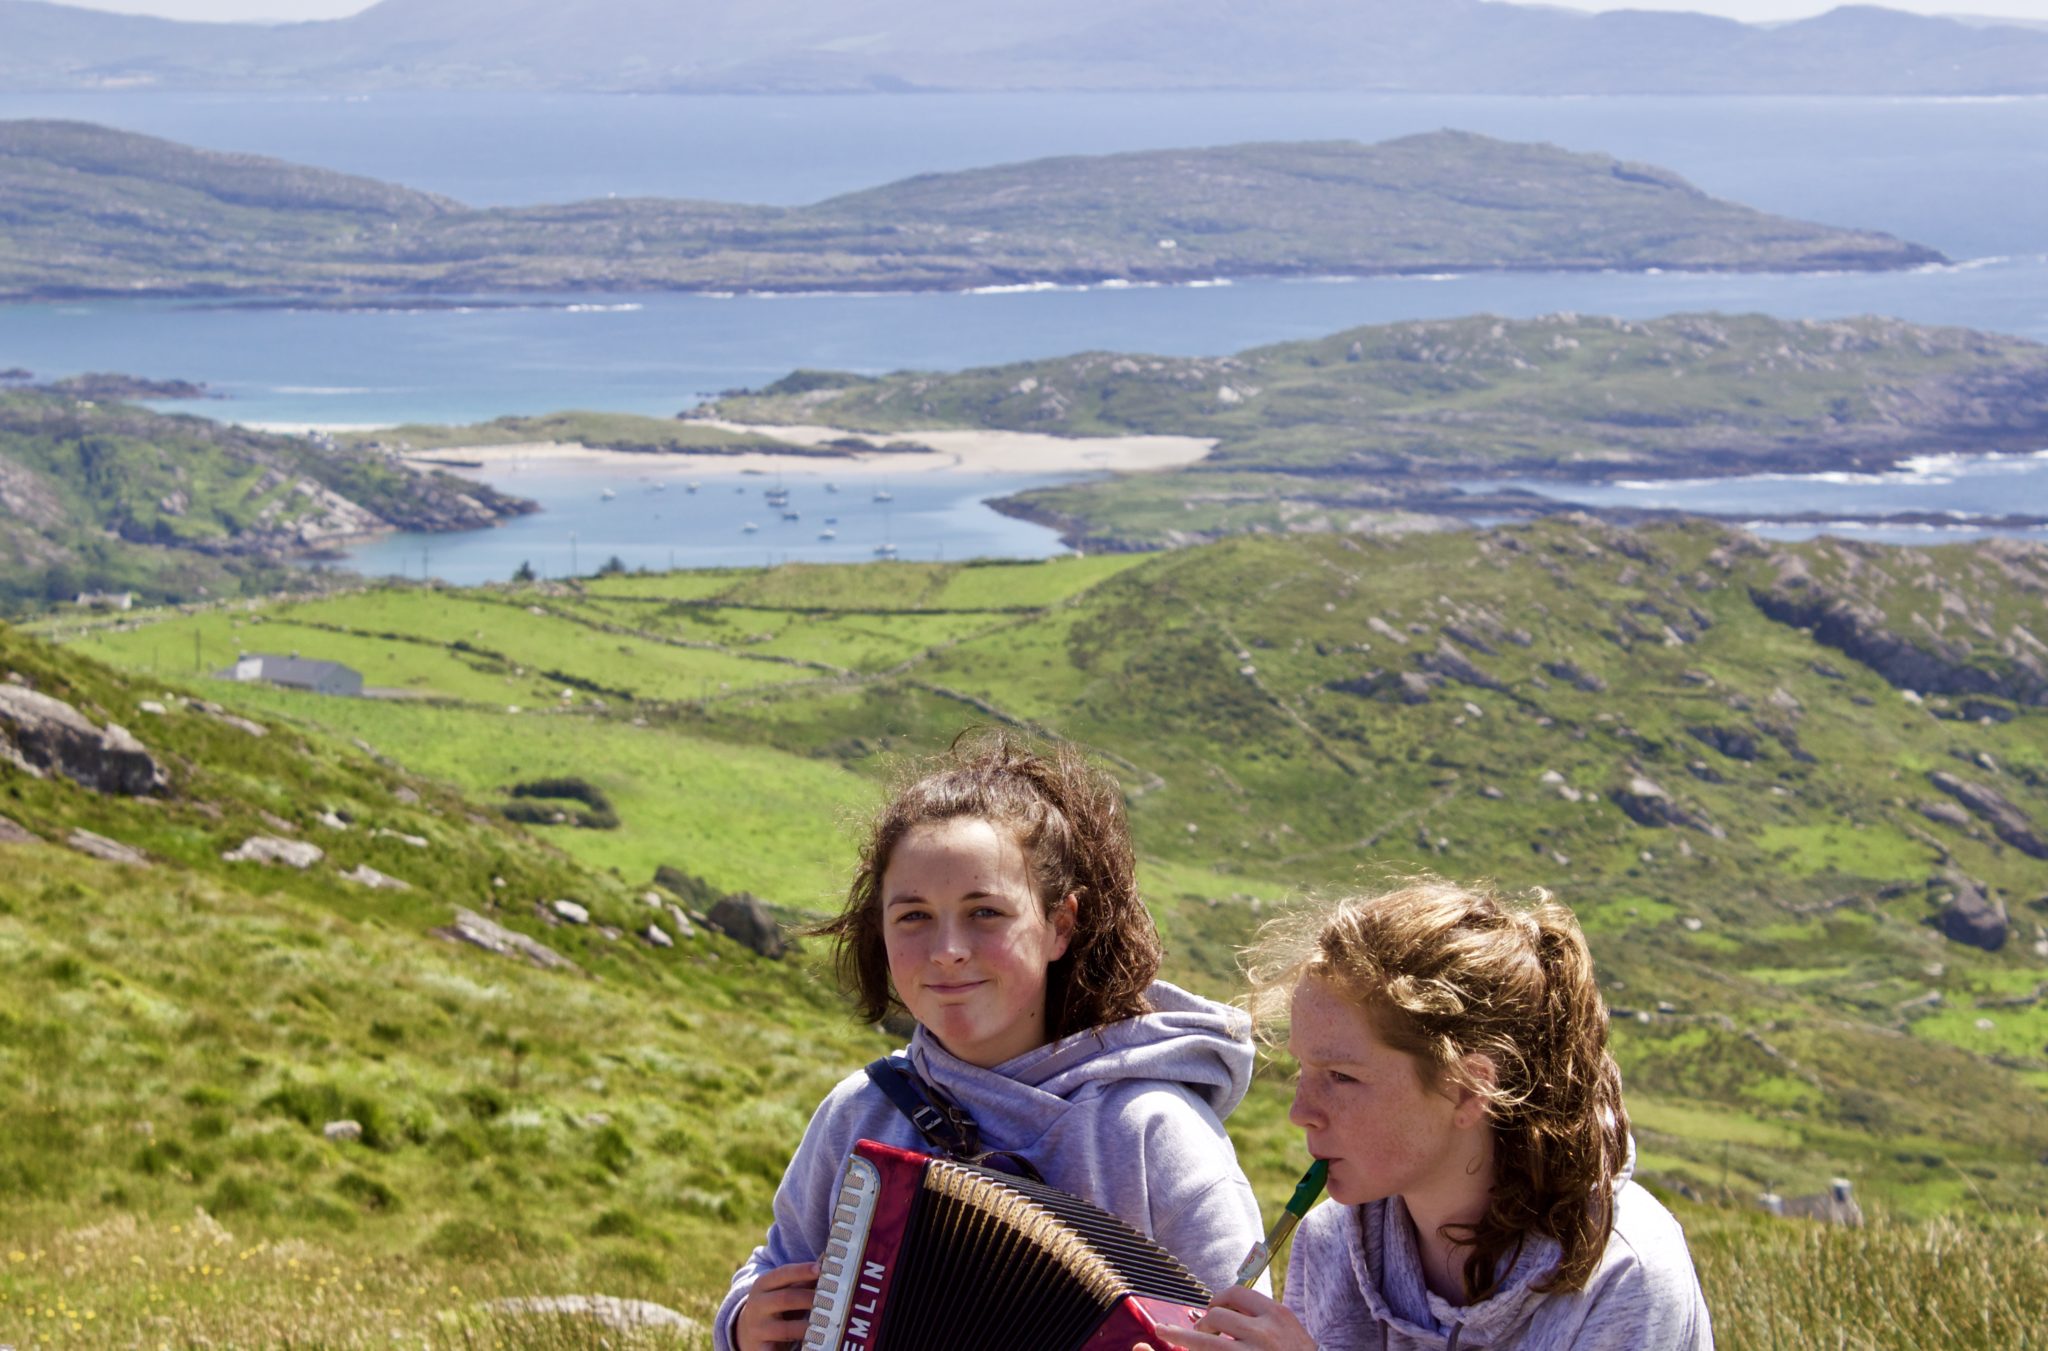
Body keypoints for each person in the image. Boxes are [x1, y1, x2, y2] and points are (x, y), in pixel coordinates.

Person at [715, 730, 1266, 1351]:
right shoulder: (859, 1113)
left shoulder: (1156, 1135)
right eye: (914, 916)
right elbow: (777, 1268)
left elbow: (1241, 1331)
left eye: (985, 913)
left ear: (1061, 925)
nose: (948, 951)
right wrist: (743, 1323)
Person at [1142, 879, 1712, 1351]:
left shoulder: (1625, 1273)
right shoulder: (1330, 1245)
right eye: (1303, 1070)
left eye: (1341, 1076)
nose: (1301, 1113)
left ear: (1467, 1089)